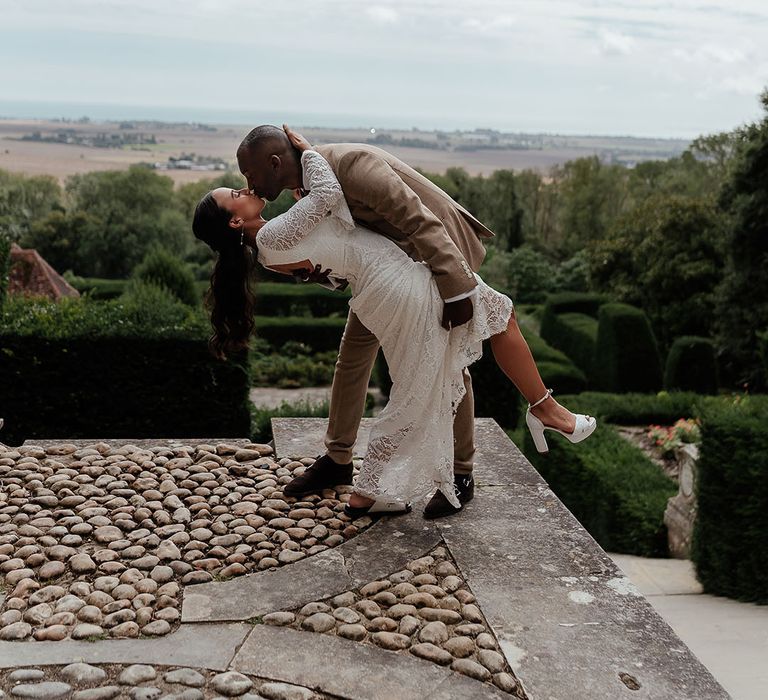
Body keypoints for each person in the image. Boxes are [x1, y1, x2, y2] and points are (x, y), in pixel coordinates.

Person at [192, 127, 596, 518]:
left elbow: (418, 221)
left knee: (449, 359)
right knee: (421, 366)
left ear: (276, 163)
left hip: (430, 253)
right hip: (390, 280)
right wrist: (310, 158)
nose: (246, 184)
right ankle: (349, 467)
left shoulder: (350, 167)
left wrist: (454, 290)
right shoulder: (288, 213)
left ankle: (460, 469)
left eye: (247, 175)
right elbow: (329, 229)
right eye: (238, 188)